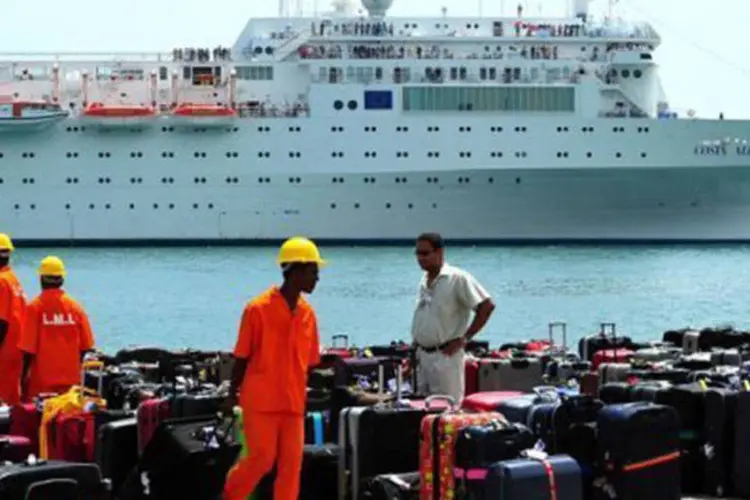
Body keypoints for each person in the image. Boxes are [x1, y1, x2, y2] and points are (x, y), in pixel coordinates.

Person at [223, 237, 324, 500]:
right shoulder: (257, 309)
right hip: (261, 401)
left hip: (293, 404)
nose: (317, 278)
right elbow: (242, 356)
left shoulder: (308, 315)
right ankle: (229, 496)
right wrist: (231, 394)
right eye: (314, 271)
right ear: (296, 270)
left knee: (292, 466)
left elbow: (309, 363)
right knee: (261, 460)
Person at [410, 232, 495, 403]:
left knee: (448, 407)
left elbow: (486, 305)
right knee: (421, 408)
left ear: (440, 252)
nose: (420, 258)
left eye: (425, 253)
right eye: (417, 254)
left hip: (445, 356)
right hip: (422, 357)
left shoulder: (457, 278)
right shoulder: (424, 280)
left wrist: (464, 339)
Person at [18, 256, 95, 401]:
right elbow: (86, 346)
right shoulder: (75, 307)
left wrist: (21, 381)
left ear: (41, 279)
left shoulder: (35, 308)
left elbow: (27, 351)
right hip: (71, 385)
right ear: (62, 280)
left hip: (41, 385)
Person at [0, 233, 26, 405]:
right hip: (16, 347)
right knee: (12, 397)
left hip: (4, 349)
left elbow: (1, 321)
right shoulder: (12, 278)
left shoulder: (1, 281)